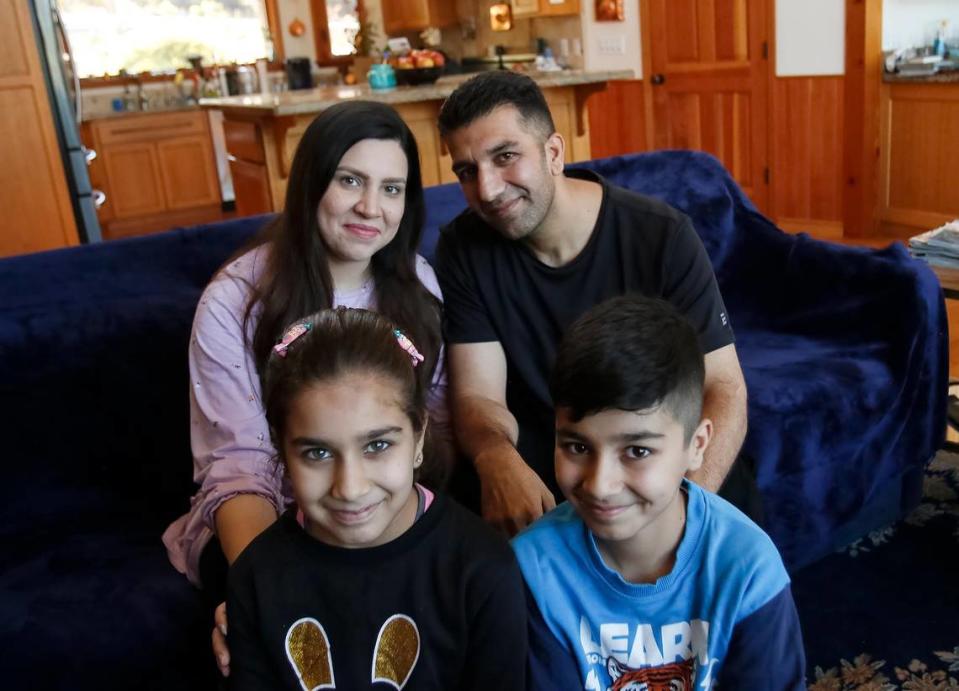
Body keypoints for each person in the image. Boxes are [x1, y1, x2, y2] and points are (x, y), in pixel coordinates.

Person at [161, 100, 451, 658]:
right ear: (311, 182)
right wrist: (269, 590)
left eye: (392, 189)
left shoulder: (419, 286)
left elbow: (434, 432)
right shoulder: (236, 298)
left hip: (389, 499)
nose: (372, 207)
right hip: (275, 515)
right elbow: (240, 465)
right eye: (350, 181)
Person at [434, 70, 755, 535]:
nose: (486, 189)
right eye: (467, 171)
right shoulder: (463, 249)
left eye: (505, 157)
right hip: (554, 447)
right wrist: (495, 457)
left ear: (553, 153)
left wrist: (681, 509)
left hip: (652, 444)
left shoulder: (660, 236)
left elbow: (724, 388)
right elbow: (478, 395)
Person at [512, 295, 805, 690]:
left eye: (637, 451)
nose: (600, 484)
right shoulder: (531, 571)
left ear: (697, 445)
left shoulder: (749, 570)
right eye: (578, 447)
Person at [227, 307, 527, 689]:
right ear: (283, 451)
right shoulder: (256, 577)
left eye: (378, 445)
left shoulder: (482, 569)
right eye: (317, 453)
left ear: (419, 437)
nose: (350, 488)